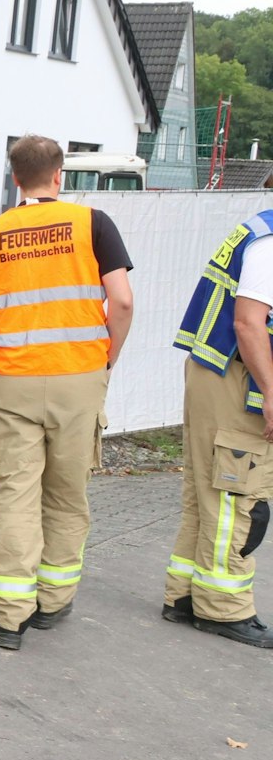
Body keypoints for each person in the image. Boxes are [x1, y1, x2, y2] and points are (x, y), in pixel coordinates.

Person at [0, 136, 133, 650]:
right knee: (67, 496)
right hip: (78, 379)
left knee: (16, 497)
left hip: (12, 382)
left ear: (14, 179)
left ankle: (8, 617)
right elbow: (123, 301)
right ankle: (53, 602)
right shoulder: (93, 224)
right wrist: (106, 359)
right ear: (59, 176)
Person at [163, 206, 273, 648]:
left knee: (206, 493)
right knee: (237, 497)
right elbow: (247, 323)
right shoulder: (270, 242)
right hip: (234, 381)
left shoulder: (261, 230)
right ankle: (223, 610)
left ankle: (186, 595)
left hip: (215, 372)